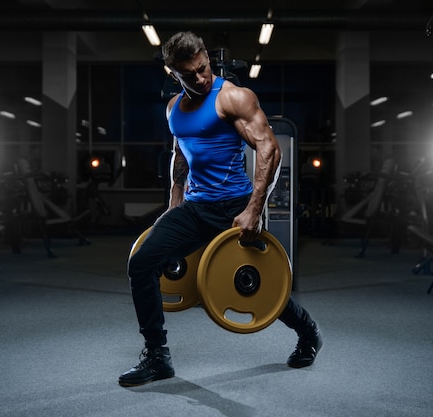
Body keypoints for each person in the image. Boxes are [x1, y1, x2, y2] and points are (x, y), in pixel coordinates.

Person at [119, 31, 322, 387]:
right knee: (142, 263)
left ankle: (308, 333)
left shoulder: (231, 97)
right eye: (190, 74)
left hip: (234, 208)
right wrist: (174, 203)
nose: (201, 77)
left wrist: (254, 209)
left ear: (206, 58)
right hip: (195, 208)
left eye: (203, 67)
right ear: (174, 74)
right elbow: (180, 155)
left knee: (261, 286)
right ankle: (157, 356)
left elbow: (269, 149)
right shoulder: (173, 110)